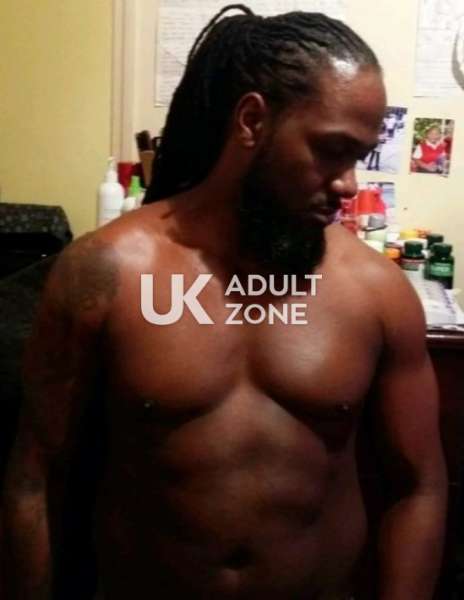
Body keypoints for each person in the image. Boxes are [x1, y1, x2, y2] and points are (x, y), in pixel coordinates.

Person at [3, 5, 447, 600]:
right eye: (331, 150)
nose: (348, 185)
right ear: (252, 121)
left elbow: (418, 487)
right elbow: (35, 477)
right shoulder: (107, 271)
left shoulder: (377, 292)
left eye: (358, 158)